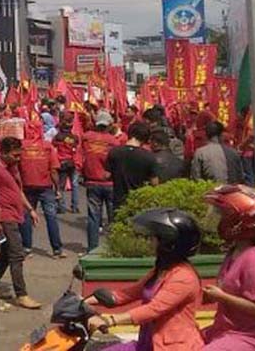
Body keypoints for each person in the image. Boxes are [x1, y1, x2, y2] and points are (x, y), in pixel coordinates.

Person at [87, 208, 203, 351]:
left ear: (168, 243)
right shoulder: (161, 270)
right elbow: (129, 293)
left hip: (173, 347)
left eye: (154, 238)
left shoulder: (184, 277)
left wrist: (110, 320)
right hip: (146, 344)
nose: (150, 241)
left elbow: (154, 309)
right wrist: (83, 302)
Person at [202, 184, 255, 350]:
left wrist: (222, 297)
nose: (218, 220)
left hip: (251, 337)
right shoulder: (234, 253)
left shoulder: (254, 260)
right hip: (225, 330)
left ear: (239, 221)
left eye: (222, 215)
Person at [0, 137, 41, 309]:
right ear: (4, 153)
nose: (18, 158)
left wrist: (30, 209)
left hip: (16, 214)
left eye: (19, 155)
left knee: (7, 252)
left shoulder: (12, 168)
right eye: (15, 155)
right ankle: (21, 294)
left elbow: (18, 191)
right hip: (5, 216)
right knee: (17, 253)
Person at [19, 123, 64, 258]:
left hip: (26, 186)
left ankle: (26, 248)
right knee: (51, 217)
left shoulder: (21, 146)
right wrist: (57, 188)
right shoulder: (47, 146)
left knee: (26, 217)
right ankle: (56, 249)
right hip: (45, 186)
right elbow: (54, 170)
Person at [78, 110, 120, 251]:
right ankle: (114, 247)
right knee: (113, 217)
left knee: (93, 217)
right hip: (110, 183)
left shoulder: (86, 138)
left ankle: (92, 248)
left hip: (91, 182)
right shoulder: (114, 141)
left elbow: (81, 157)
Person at [106, 121, 159, 209]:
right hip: (139, 202)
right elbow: (155, 183)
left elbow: (107, 175)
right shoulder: (149, 157)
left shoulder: (114, 152)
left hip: (119, 202)